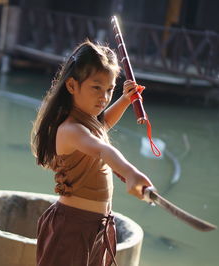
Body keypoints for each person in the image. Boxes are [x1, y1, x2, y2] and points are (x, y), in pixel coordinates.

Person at [31, 40, 154, 266]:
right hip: (73, 226)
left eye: (109, 89)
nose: (104, 97)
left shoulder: (87, 125)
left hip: (98, 225)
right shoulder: (71, 130)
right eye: (96, 88)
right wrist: (131, 172)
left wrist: (125, 99)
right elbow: (103, 149)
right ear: (71, 85)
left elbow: (103, 125)